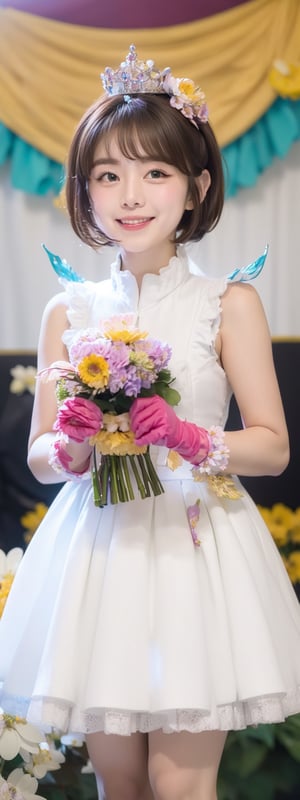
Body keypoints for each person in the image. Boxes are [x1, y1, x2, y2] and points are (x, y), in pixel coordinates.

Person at [1, 44, 300, 800]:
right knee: (119, 784)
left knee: (179, 788)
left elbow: (271, 446)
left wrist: (187, 435)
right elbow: (41, 455)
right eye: (108, 175)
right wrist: (68, 440)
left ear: (196, 187)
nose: (130, 194)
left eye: (155, 172)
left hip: (195, 549)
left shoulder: (227, 303)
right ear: (86, 191)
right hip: (99, 552)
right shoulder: (68, 310)